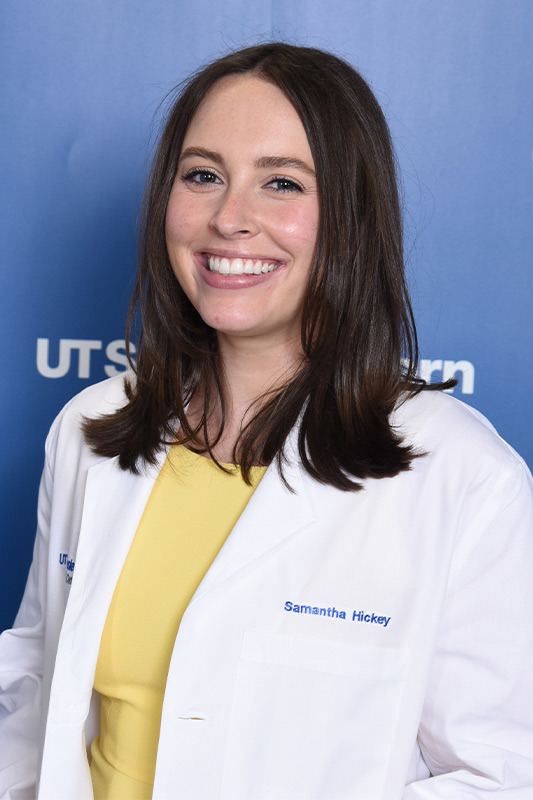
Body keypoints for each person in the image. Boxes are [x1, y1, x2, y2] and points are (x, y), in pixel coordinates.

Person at [1, 42, 532, 800]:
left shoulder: (463, 477)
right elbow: (36, 678)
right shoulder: (92, 429)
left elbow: (502, 777)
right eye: (203, 175)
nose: (229, 218)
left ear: (351, 218)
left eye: (281, 182)